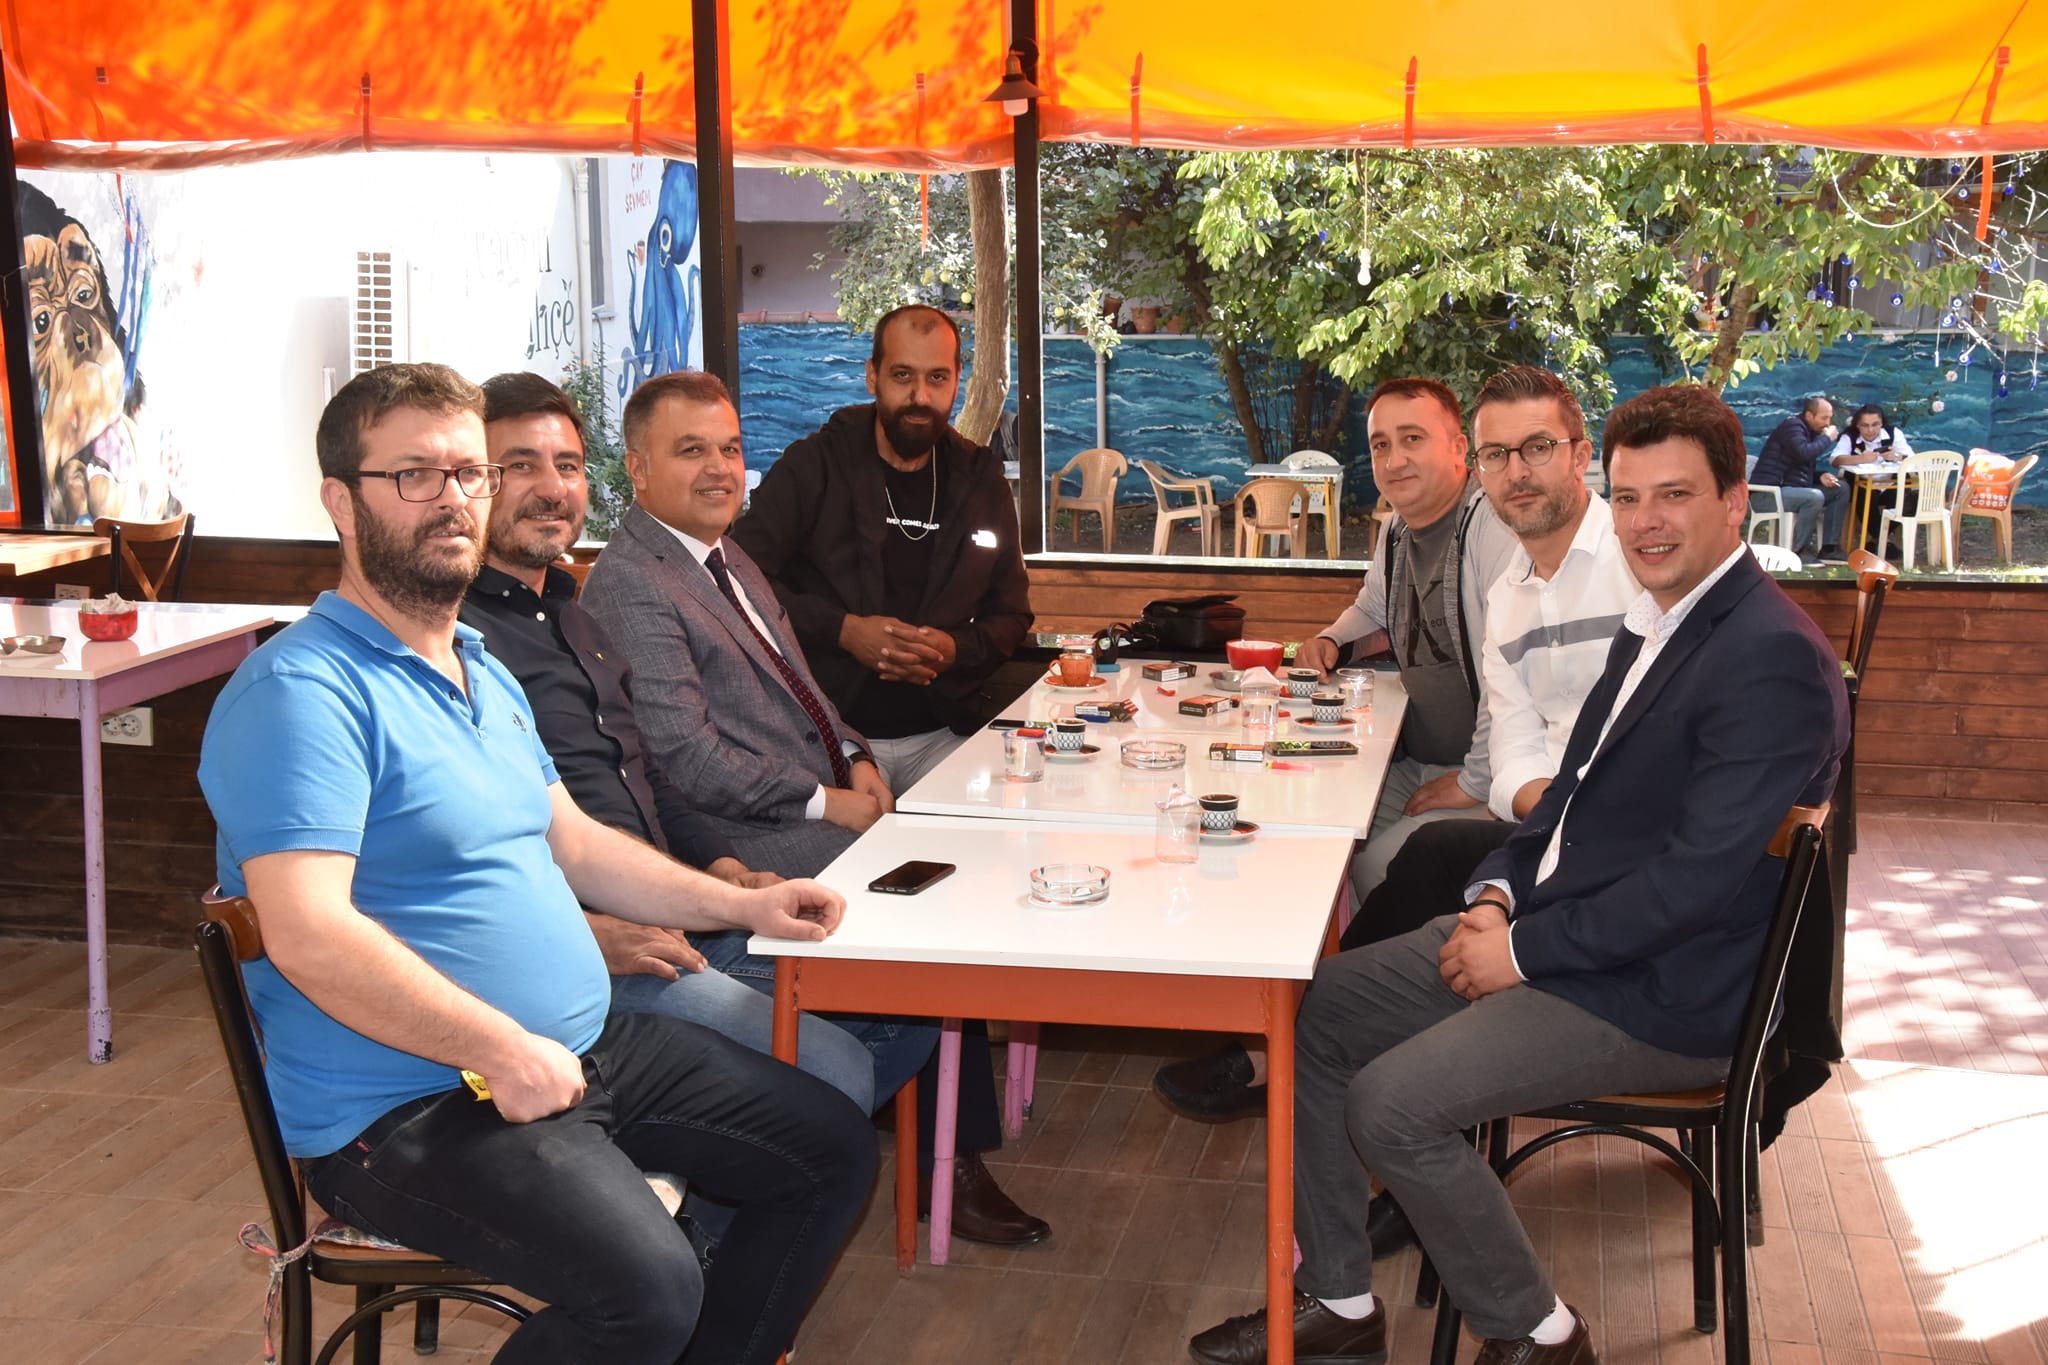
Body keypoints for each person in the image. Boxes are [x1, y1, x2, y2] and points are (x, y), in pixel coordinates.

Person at [197, 362, 873, 1365]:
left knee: (829, 1151)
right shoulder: (301, 692)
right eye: (414, 475)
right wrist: (499, 1048)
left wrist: (743, 904)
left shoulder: (479, 668)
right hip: (409, 1106)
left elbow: (577, 844)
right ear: (340, 502)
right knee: (649, 1290)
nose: (453, 499)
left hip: (575, 1052)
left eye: (470, 473)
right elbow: (309, 932)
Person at [1185, 382, 1848, 1365]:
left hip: (1662, 994)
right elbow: (1565, 798)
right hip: (1575, 934)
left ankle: (1540, 1335)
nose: (1645, 522)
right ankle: (1340, 1303)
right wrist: (1495, 894)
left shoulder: (1768, 658)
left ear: (1734, 500)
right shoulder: (1656, 622)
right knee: (1315, 1012)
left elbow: (1693, 886)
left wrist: (1522, 952)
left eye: (1673, 495)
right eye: (1629, 498)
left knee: (1390, 1104)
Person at [582, 370, 1050, 1248]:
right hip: (747, 847)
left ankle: (817, 1158)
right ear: (636, 469)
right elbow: (688, 757)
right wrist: (826, 800)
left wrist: (859, 754)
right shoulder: (633, 581)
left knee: (956, 916)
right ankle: (822, 1166)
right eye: (692, 450)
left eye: (729, 448)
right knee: (937, 942)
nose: (720, 468)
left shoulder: (729, 557)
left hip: (812, 816)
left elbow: (804, 693)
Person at [460, 370, 937, 1118]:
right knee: (850, 1054)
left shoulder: (572, 613)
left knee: (914, 996)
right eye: (520, 465)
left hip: (674, 889)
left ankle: (771, 1148)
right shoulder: (464, 640)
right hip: (597, 939)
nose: (551, 487)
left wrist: (720, 868)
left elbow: (648, 773)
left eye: (567, 466)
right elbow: (513, 837)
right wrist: (586, 929)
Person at [1329, 364, 1642, 1257]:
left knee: (1412, 863)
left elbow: (1615, 776)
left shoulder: (1635, 570)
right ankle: (1342, 1047)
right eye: (1503, 452)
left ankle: (1371, 1080)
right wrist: (1540, 811)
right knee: (1407, 861)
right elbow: (1518, 746)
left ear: (1581, 454)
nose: (1518, 471)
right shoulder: (1513, 589)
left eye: (1536, 448)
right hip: (1548, 827)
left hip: (1618, 909)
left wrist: (1525, 813)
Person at [1153, 376, 1516, 1123]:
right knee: (1299, 838)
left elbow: (1511, 675)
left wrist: (1475, 784)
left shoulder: (1489, 532)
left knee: (1379, 864)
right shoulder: (1399, 530)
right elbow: (1373, 606)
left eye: (1413, 439)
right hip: (1417, 757)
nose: (1394, 458)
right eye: (1381, 444)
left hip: (1484, 773)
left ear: (1461, 449)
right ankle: (1287, 1021)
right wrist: (1328, 639)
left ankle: (1332, 1046)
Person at [732, 303, 1033, 794]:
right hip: (828, 732)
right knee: (850, 838)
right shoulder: (814, 466)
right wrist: (843, 630)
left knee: (999, 818)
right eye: (902, 375)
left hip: (944, 731)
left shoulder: (981, 481)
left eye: (937, 377)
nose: (920, 397)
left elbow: (1012, 614)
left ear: (958, 379)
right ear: (872, 375)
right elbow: (739, 577)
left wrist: (955, 650)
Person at [1750, 395, 1847, 562]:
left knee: (1841, 489)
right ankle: (1799, 551)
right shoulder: (1792, 427)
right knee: (1814, 497)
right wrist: (1827, 439)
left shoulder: (1810, 432)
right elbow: (1803, 453)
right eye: (1824, 418)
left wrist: (1820, 476)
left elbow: (1798, 469)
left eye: (1829, 418)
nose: (1828, 423)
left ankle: (1830, 548)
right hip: (1768, 494)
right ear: (1809, 415)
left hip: (1790, 489)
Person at [1827, 402, 1917, 551]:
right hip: (1862, 485)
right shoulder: (1850, 436)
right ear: (1857, 425)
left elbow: (1912, 459)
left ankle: (1877, 540)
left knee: (1911, 500)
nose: (1870, 430)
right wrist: (1861, 459)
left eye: (1875, 425)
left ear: (1881, 424)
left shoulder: (1893, 433)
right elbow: (1835, 460)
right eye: (1865, 425)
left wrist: (1897, 456)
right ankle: (1881, 541)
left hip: (1889, 485)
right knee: (1864, 496)